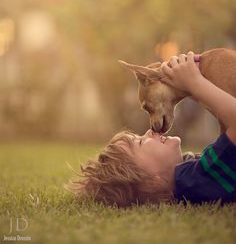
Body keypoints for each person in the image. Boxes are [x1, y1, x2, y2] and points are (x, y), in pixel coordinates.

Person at [65, 52, 236, 207]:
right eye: (140, 141)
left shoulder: (188, 172)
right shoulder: (193, 180)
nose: (149, 131)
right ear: (153, 181)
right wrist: (195, 83)